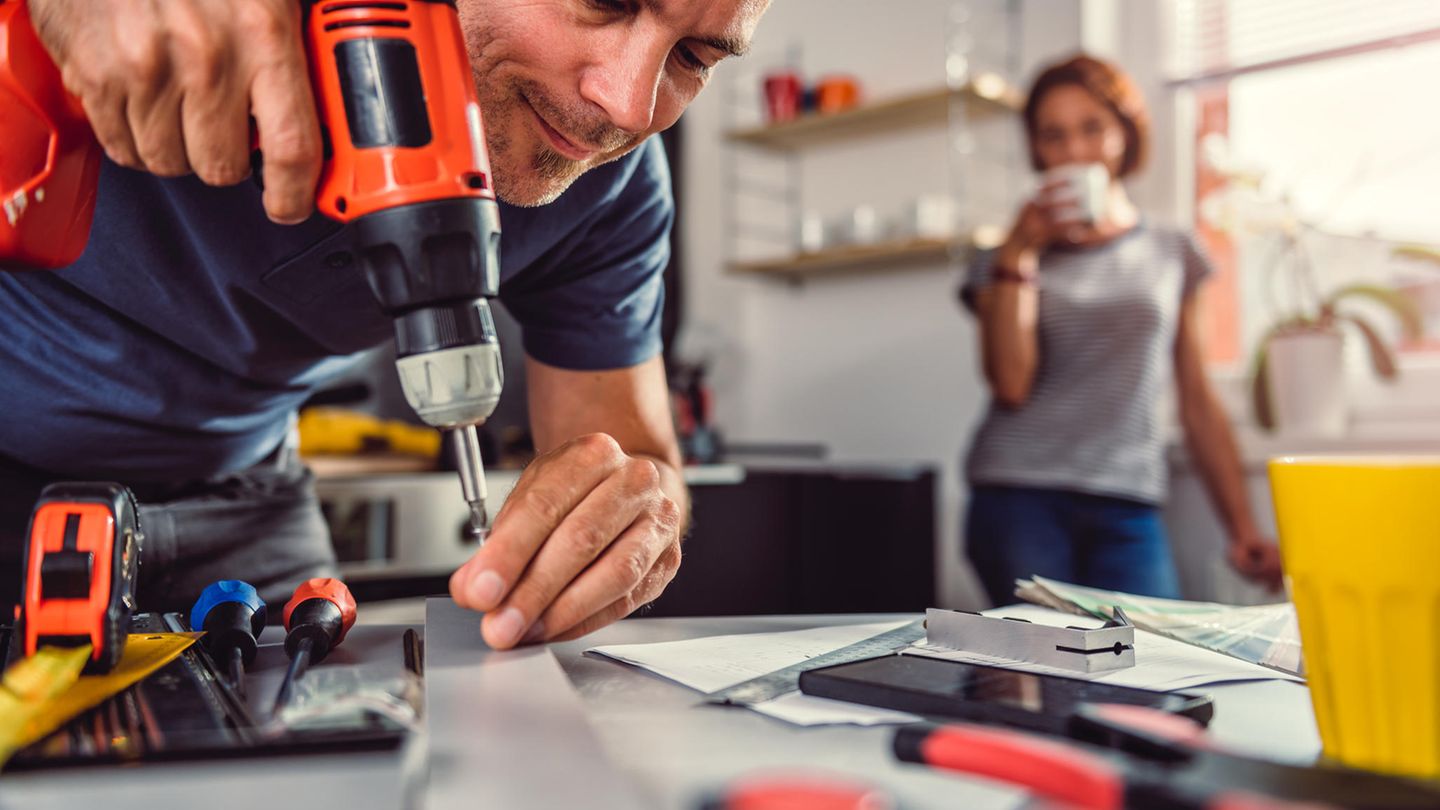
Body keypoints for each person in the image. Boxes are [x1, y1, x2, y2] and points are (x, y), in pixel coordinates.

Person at [0, 0, 769, 649]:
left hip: (246, 490)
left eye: (695, 56)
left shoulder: (613, 189)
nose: (629, 105)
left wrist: (633, 516)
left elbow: (629, 452)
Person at [959, 54, 1283, 606]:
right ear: (1036, 148)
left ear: (1125, 135)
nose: (1074, 151)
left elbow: (1198, 399)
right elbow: (1010, 384)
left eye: (1092, 128)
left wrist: (1242, 529)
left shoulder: (1172, 252)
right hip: (1018, 495)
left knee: (1149, 672)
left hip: (1128, 501)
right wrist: (1018, 252)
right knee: (1042, 680)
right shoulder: (1001, 259)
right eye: (1053, 136)